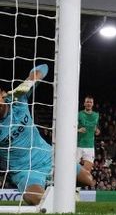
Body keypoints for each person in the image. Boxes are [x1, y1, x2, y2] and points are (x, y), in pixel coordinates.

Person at [0, 65, 95, 205]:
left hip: (48, 156)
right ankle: (56, 196)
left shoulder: (18, 99)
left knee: (88, 179)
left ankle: (58, 188)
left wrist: (29, 81)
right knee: (34, 198)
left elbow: (44, 67)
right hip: (26, 171)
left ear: (2, 93)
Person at [77, 95, 100, 171]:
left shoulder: (96, 115)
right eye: (87, 102)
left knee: (87, 171)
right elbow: (71, 127)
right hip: (78, 145)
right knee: (72, 168)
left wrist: (97, 131)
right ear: (84, 103)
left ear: (93, 104)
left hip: (90, 146)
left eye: (90, 102)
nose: (89, 104)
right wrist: (78, 130)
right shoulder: (79, 114)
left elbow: (97, 128)